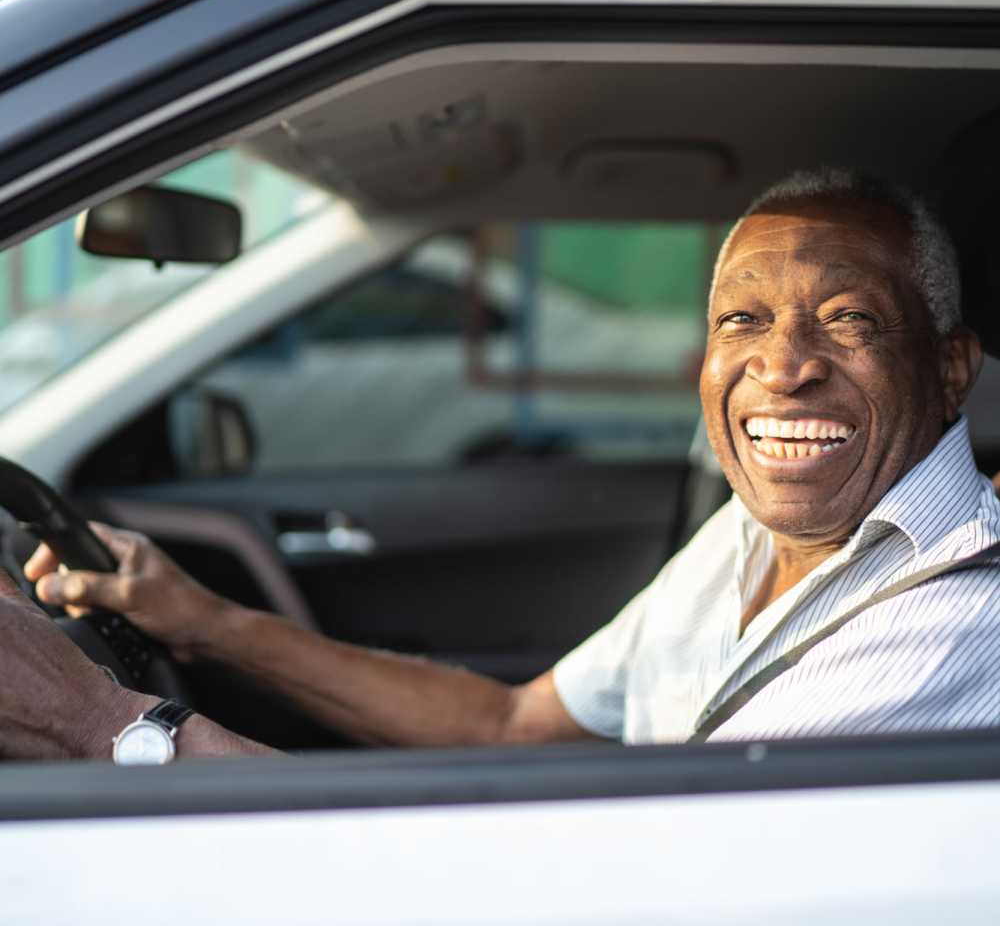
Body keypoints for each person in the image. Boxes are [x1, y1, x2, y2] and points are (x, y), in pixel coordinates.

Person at [2, 167, 998, 761]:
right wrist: (205, 622)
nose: (781, 365)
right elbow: (514, 721)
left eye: (846, 320)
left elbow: (609, 882)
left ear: (951, 367)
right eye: (741, 318)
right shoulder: (752, 533)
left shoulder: (958, 616)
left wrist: (105, 722)